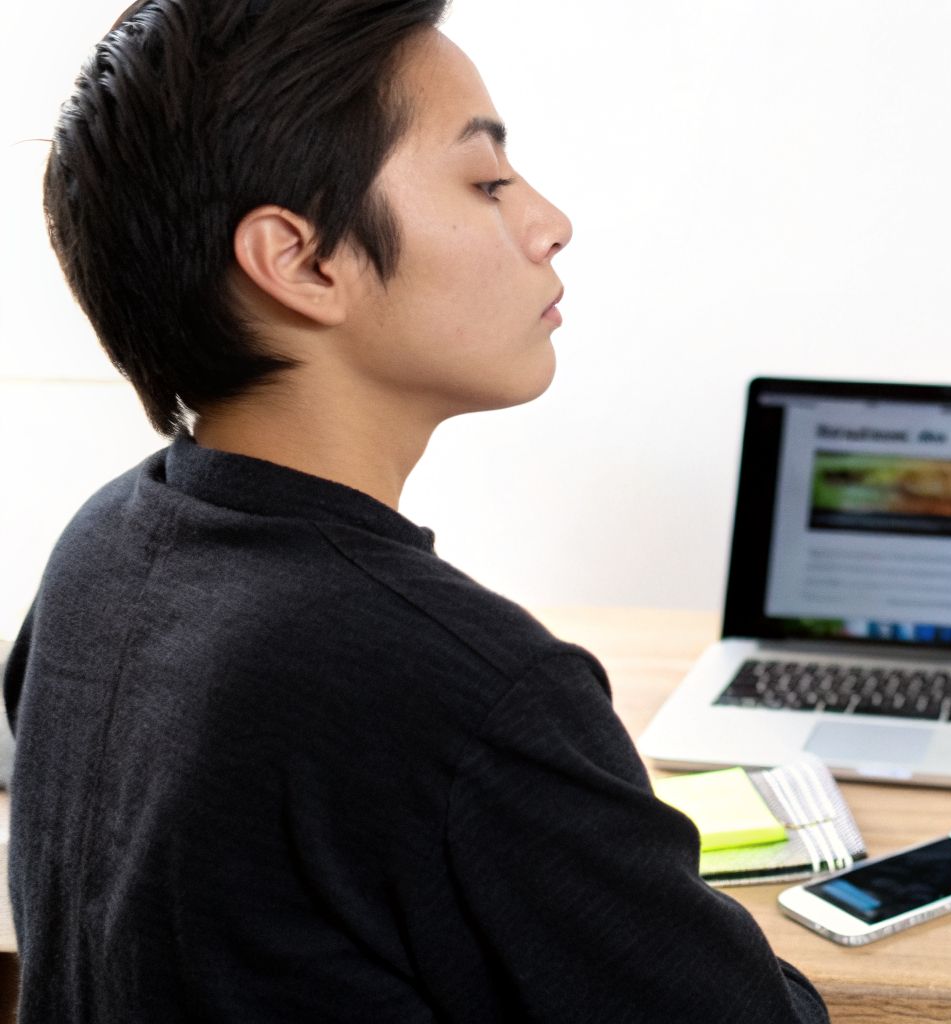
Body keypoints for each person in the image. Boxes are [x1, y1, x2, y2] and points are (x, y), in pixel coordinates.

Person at [2, 1, 830, 1020]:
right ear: (304, 262)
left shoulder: (100, 547)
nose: (548, 221)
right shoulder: (461, 691)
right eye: (486, 181)